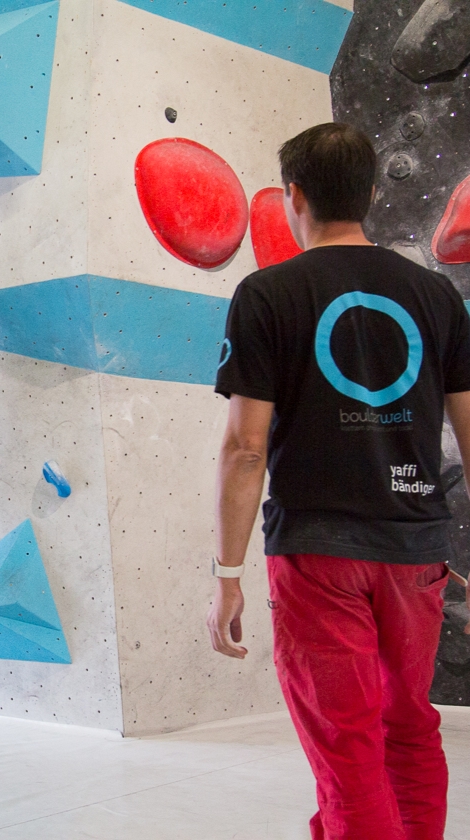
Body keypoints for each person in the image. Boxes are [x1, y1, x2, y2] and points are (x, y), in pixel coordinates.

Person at [209, 123, 470, 840]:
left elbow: (243, 448)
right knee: (410, 728)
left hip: (317, 553)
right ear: (374, 194)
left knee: (346, 748)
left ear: (293, 196)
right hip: (416, 550)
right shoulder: (436, 296)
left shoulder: (266, 294)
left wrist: (227, 573)